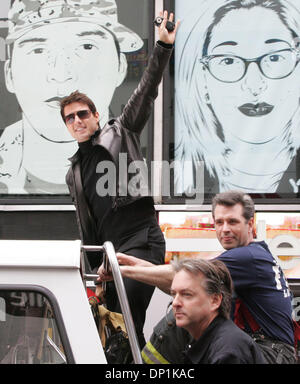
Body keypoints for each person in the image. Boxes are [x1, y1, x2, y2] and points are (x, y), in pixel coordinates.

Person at [61, 10, 179, 349]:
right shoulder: (74, 172)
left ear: (96, 116)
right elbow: (88, 226)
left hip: (141, 240)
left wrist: (162, 47)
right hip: (110, 254)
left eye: (83, 113)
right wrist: (97, 267)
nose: (77, 120)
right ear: (67, 126)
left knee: (125, 322)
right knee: (114, 334)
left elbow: (146, 89)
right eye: (70, 118)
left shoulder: (121, 131)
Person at [98, 190, 296, 363]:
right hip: (260, 349)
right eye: (219, 222)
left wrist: (121, 271)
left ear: (250, 224)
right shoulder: (251, 256)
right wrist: (134, 264)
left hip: (269, 354)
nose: (225, 229)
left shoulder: (247, 257)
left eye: (233, 222)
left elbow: (186, 278)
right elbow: (180, 283)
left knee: (188, 310)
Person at [0, 0, 144, 193]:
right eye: (38, 50)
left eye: (86, 47)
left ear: (121, 67)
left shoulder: (142, 174)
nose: (60, 74)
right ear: (9, 74)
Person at [174, 0, 300, 195]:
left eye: (274, 58)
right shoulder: (183, 181)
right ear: (203, 78)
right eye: (228, 60)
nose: (254, 84)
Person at [162, 258, 266, 364]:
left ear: (215, 301)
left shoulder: (229, 350)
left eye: (187, 294)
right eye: (174, 294)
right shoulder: (207, 340)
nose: (175, 303)